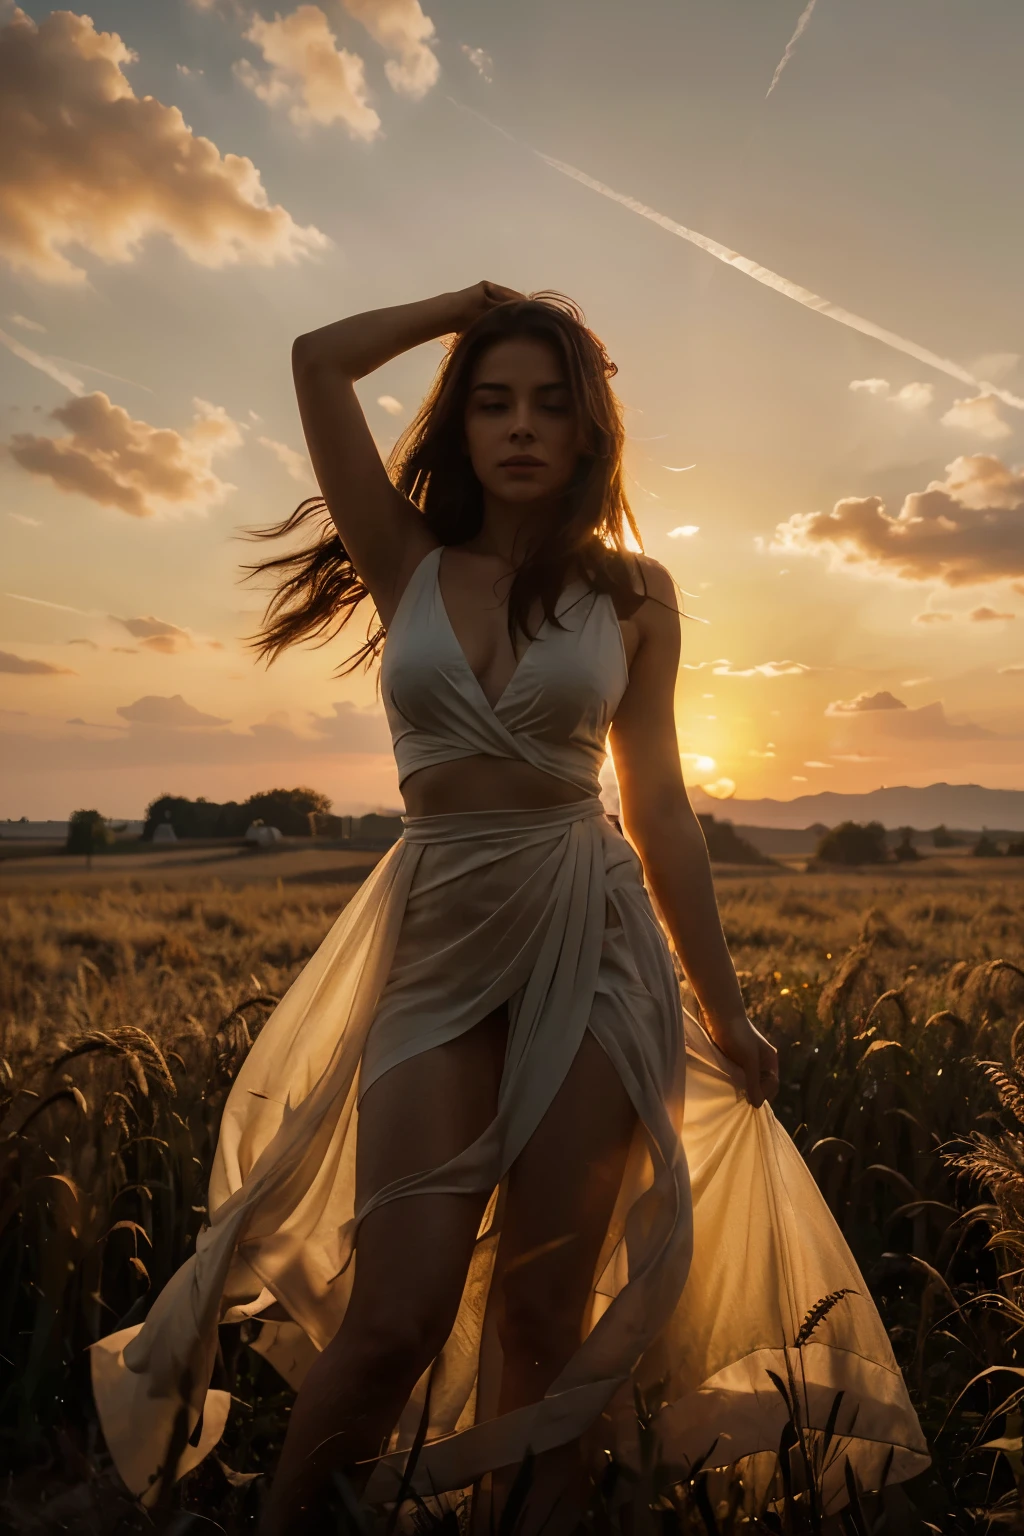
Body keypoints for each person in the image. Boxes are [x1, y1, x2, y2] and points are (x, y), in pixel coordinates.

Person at [90, 286, 928, 1530]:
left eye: (550, 403)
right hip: (434, 942)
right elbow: (317, 363)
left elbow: (664, 808)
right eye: (493, 402)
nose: (521, 427)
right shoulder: (406, 561)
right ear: (461, 423)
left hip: (590, 944)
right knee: (394, 1319)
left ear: (590, 432)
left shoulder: (638, 594)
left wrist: (728, 1008)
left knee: (546, 1318)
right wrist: (467, 309)